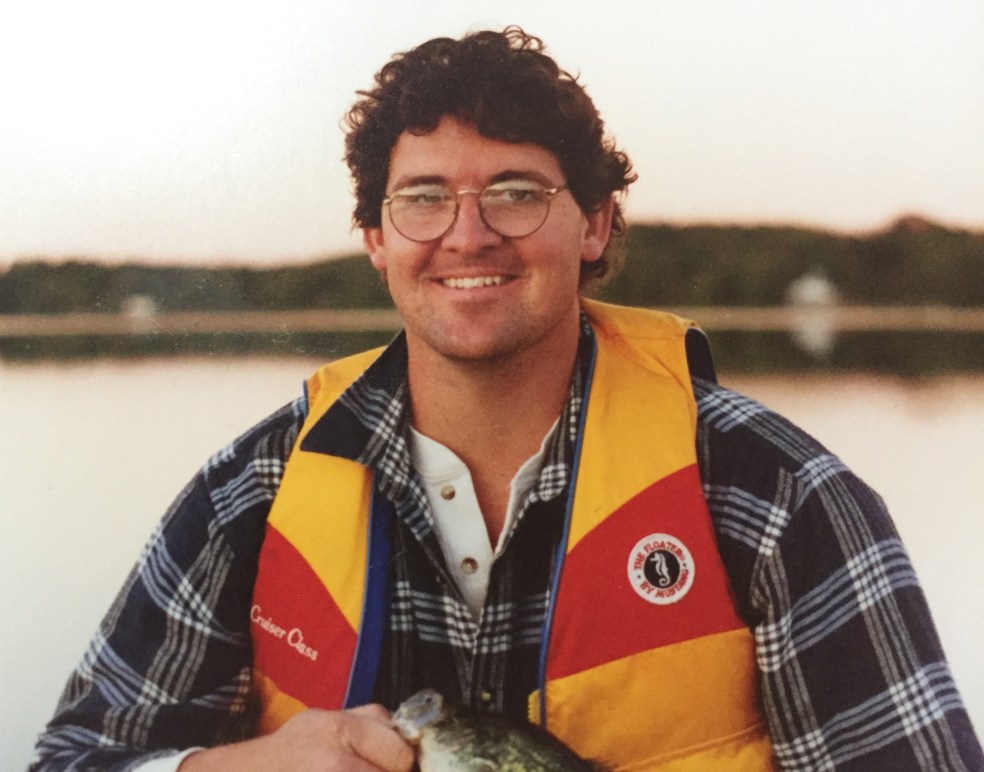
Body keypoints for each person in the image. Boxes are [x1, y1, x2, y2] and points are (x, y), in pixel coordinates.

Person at [31, 26, 982, 772]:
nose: (469, 235)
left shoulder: (775, 495)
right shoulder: (253, 494)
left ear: (596, 223)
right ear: (375, 236)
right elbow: (72, 758)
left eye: (517, 192)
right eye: (423, 198)